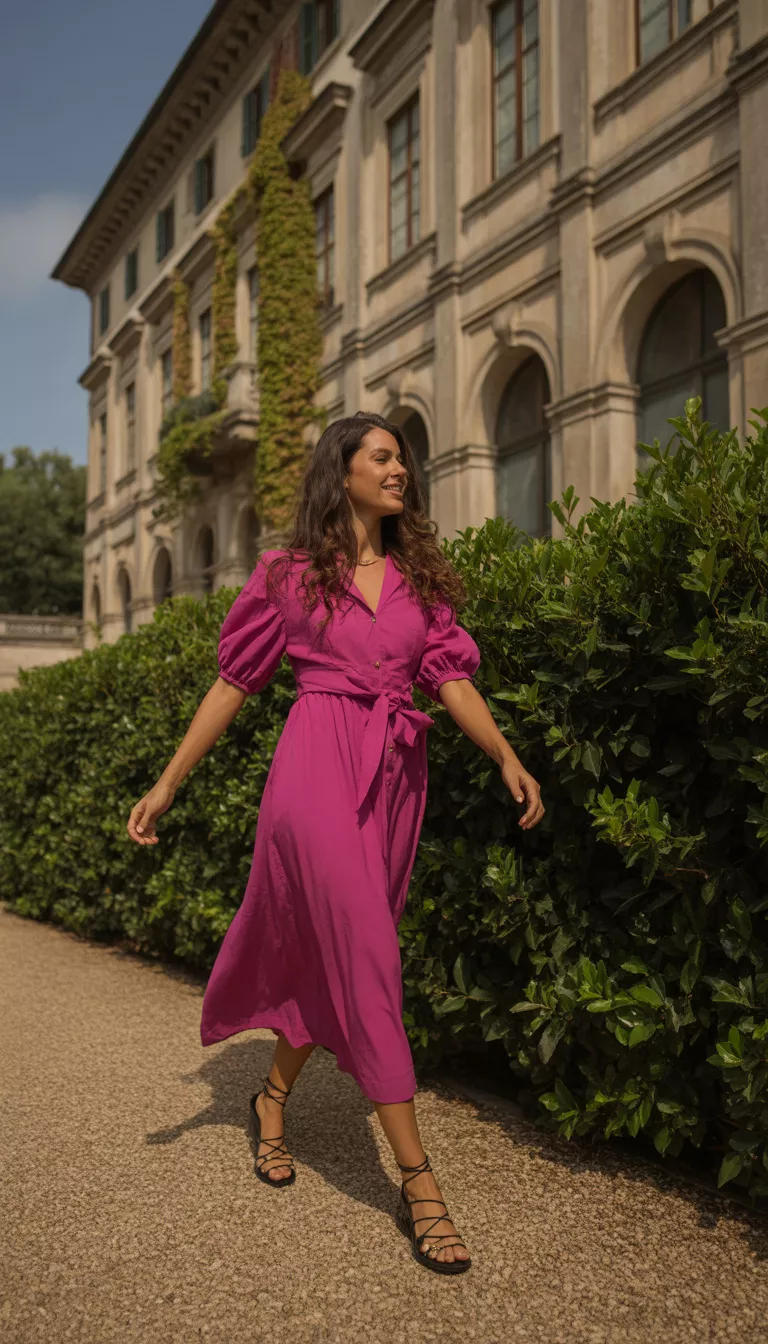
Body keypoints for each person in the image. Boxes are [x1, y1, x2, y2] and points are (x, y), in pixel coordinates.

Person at [127, 410, 544, 1275]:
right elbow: (233, 684)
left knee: (343, 958)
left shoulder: (418, 580)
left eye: (402, 460)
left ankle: (270, 1098)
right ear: (341, 471)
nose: (399, 470)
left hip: (394, 777)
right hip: (315, 769)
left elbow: (450, 680)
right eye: (381, 457)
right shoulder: (287, 576)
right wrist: (168, 782)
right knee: (369, 956)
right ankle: (419, 1183)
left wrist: (504, 754)